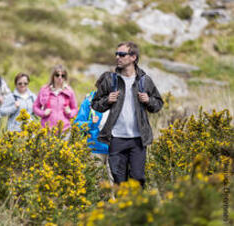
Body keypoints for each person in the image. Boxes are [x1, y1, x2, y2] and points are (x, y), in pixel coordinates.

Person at [91, 42, 163, 188]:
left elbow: (158, 104)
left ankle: (136, 210)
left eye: (122, 54)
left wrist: (148, 100)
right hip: (116, 139)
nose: (118, 57)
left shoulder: (144, 80)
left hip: (138, 140)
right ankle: (121, 210)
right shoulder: (110, 80)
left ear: (133, 57)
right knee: (119, 182)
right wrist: (107, 100)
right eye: (116, 54)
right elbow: (95, 103)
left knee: (137, 179)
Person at [75, 86, 113, 183]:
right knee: (94, 184)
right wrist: (90, 123)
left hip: (115, 149)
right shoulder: (89, 101)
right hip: (94, 148)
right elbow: (77, 124)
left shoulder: (118, 101)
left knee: (116, 185)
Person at [33, 65, 78, 131]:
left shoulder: (69, 91)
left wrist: (70, 113)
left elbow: (75, 109)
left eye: (63, 76)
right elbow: (35, 107)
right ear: (53, 76)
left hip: (64, 130)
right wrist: (43, 113)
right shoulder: (44, 89)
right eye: (57, 75)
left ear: (65, 78)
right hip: (47, 129)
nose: (60, 77)